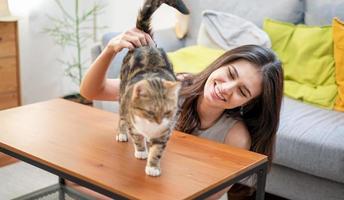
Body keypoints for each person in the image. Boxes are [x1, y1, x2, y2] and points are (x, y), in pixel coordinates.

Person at [80, 27, 284, 200]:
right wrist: (109, 50)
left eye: (242, 91)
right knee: (81, 184)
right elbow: (93, 91)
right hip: (148, 188)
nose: (227, 88)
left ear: (249, 103)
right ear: (222, 62)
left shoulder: (236, 137)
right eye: (230, 74)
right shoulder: (173, 87)